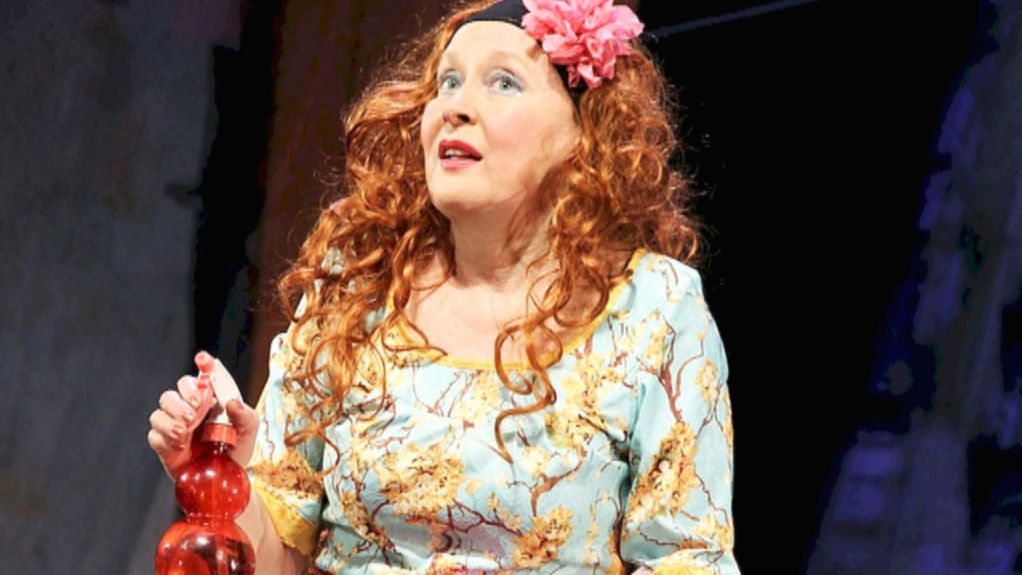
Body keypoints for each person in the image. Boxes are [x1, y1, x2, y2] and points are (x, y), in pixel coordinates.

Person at [148, 0, 739, 573]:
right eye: (448, 82)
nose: (456, 106)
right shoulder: (353, 287)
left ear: (583, 135)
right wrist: (219, 474)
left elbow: (685, 559)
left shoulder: (653, 307)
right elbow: (281, 557)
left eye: (503, 83)